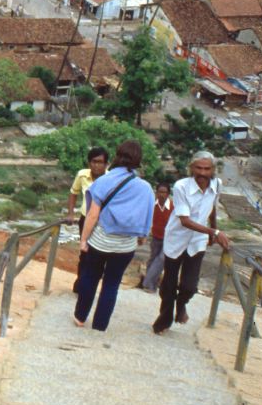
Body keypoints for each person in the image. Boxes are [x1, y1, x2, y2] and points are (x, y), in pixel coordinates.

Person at [74, 141, 154, 331]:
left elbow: (93, 214)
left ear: (117, 155)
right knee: (111, 284)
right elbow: (148, 214)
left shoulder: (104, 181)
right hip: (125, 246)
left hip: (100, 241)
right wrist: (142, 236)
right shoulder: (145, 187)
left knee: (90, 277)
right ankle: (100, 325)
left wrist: (84, 240)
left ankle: (80, 317)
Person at [154, 152, 230, 335]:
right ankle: (164, 319)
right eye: (199, 168)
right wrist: (214, 232)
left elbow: (212, 208)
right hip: (176, 238)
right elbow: (185, 221)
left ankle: (181, 305)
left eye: (207, 169)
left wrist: (213, 230)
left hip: (198, 241)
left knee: (189, 286)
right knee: (168, 284)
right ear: (191, 168)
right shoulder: (181, 186)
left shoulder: (216, 185)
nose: (202, 173)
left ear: (213, 170)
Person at [68, 147, 108, 292]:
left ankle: (91, 285)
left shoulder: (110, 179)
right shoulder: (82, 175)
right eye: (94, 161)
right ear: (89, 162)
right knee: (84, 253)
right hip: (85, 219)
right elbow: (73, 193)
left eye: (101, 162)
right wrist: (71, 213)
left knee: (99, 255)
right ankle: (80, 284)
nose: (97, 165)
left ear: (106, 164)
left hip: (103, 222)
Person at [140, 181, 173, 292]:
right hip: (155, 236)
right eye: (159, 192)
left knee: (161, 259)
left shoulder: (173, 206)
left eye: (164, 192)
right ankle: (152, 286)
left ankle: (147, 283)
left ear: (168, 194)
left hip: (169, 238)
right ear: (156, 192)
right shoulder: (152, 205)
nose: (162, 195)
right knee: (153, 259)